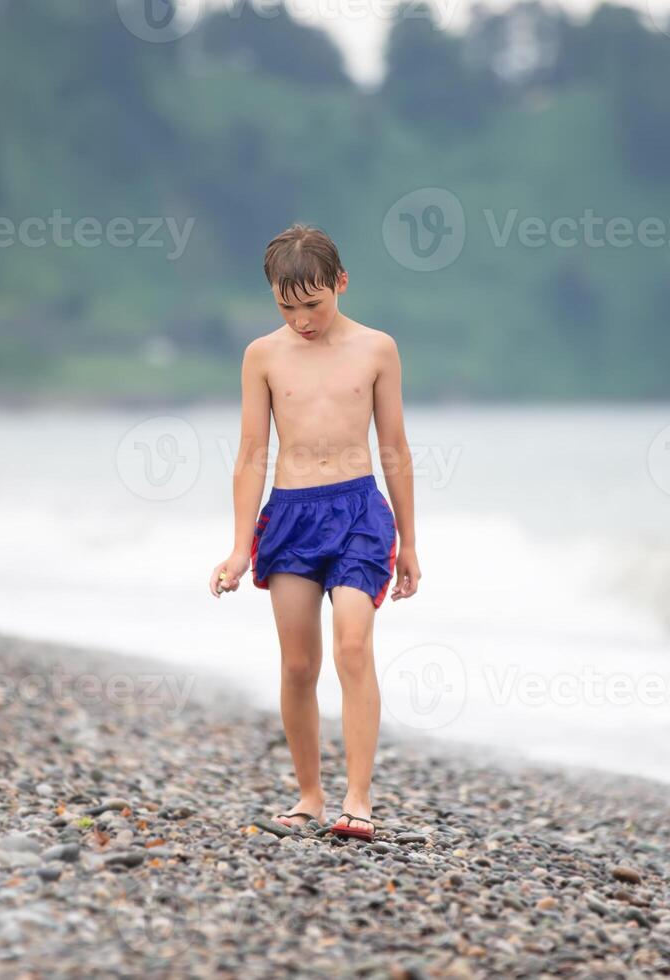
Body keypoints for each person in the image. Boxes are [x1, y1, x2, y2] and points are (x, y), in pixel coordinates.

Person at [208, 223, 421, 842]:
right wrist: (239, 546)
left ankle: (359, 797)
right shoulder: (263, 356)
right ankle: (309, 794)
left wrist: (409, 540)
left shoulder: (378, 349)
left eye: (314, 305)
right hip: (292, 514)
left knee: (353, 646)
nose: (302, 320)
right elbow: (251, 453)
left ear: (341, 283)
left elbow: (396, 449)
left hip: (359, 512)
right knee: (299, 664)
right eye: (287, 306)